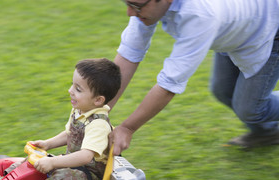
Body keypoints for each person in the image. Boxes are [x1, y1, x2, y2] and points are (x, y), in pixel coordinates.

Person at [110, 0, 279, 155]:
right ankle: (269, 132)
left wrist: (127, 128)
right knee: (222, 91)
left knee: (252, 110)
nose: (130, 12)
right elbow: (129, 53)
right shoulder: (147, 5)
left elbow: (169, 83)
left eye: (136, 6)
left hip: (269, 29)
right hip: (235, 28)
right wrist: (100, 111)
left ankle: (266, 130)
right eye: (127, 3)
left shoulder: (200, 14)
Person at [0, 58, 121, 180]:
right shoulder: (81, 111)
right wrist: (48, 144)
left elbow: (85, 156)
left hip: (89, 176)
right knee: (33, 161)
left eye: (78, 89)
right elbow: (70, 134)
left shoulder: (99, 124)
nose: (70, 90)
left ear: (98, 100)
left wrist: (53, 163)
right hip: (71, 164)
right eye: (73, 85)